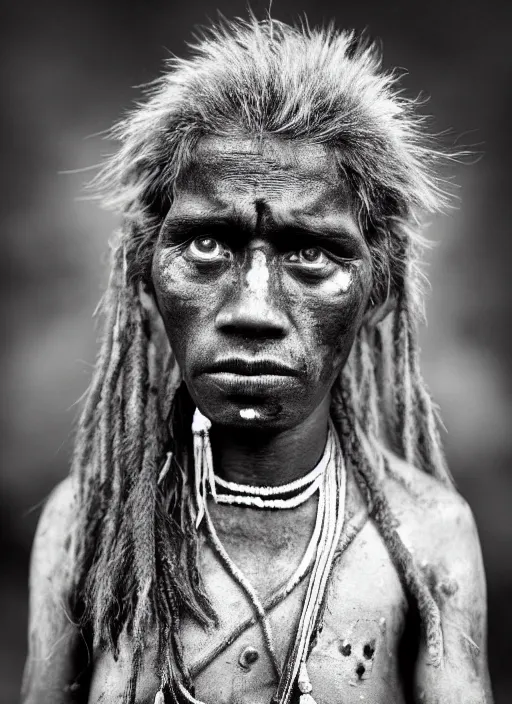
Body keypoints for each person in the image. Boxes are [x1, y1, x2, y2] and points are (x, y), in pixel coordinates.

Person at [21, 17, 493, 704]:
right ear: (145, 280)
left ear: (380, 291)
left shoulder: (426, 536)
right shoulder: (90, 525)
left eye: (309, 252)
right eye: (208, 245)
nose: (252, 310)